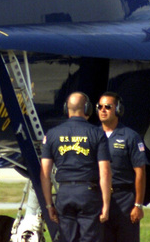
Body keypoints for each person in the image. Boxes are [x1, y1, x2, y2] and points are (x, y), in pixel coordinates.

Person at [41, 92, 111, 242]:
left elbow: (45, 174)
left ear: (66, 109)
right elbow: (105, 172)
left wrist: (48, 204)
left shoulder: (52, 134)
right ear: (87, 108)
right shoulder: (97, 134)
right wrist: (106, 204)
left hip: (65, 193)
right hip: (88, 193)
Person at [97, 92, 146, 242]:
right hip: (98, 198)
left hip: (124, 198)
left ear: (118, 110)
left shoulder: (130, 136)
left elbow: (140, 172)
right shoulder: (92, 135)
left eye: (108, 107)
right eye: (100, 107)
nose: (103, 110)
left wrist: (138, 205)